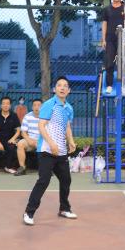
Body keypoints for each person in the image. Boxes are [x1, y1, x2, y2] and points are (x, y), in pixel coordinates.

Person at [23, 76, 77, 225]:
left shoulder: (68, 108)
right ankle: (29, 212)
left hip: (61, 152)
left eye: (65, 86)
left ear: (69, 90)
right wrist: (51, 143)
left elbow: (67, 126)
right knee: (44, 180)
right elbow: (41, 125)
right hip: (46, 150)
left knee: (66, 179)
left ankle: (64, 208)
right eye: (59, 85)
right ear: (55, 89)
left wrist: (71, 141)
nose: (62, 88)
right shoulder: (49, 105)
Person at [100, 0, 125, 92]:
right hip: (109, 39)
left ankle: (122, 84)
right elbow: (104, 23)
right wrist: (103, 39)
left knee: (122, 62)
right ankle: (109, 85)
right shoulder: (107, 9)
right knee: (109, 62)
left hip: (122, 39)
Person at [0, 96, 20, 174]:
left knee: (11, 146)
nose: (5, 105)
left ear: (10, 105)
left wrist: (13, 139)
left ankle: (8, 167)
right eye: (3, 103)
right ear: (1, 105)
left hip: (9, 139)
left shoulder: (14, 115)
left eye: (7, 104)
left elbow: (18, 131)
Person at [13, 98, 42, 175]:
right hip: (30, 139)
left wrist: (39, 141)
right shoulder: (27, 116)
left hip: (42, 140)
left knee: (47, 145)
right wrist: (29, 140)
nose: (36, 107)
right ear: (32, 107)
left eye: (39, 105)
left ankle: (46, 169)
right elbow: (23, 132)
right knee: (20, 144)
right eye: (34, 105)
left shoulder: (46, 117)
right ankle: (22, 168)